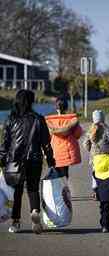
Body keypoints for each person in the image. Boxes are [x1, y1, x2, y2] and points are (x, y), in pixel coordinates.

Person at [0, 89, 55, 234]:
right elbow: (46, 143)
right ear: (31, 102)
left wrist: (1, 160)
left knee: (16, 192)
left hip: (15, 161)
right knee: (33, 189)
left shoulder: (10, 119)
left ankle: (16, 222)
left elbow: (5, 143)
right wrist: (51, 160)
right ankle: (35, 211)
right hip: (35, 160)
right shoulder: (39, 119)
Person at [83, 110, 109, 200]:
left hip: (95, 158)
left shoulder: (91, 130)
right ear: (103, 118)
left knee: (95, 174)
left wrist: (91, 150)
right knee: (107, 175)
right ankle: (107, 191)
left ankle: (96, 192)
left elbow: (85, 143)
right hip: (107, 157)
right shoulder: (108, 130)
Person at [45, 97, 83, 179]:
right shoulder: (72, 121)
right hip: (68, 152)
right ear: (66, 107)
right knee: (65, 173)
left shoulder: (51, 122)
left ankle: (59, 190)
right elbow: (78, 134)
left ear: (56, 108)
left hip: (55, 152)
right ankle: (65, 188)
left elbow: (47, 138)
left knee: (56, 173)